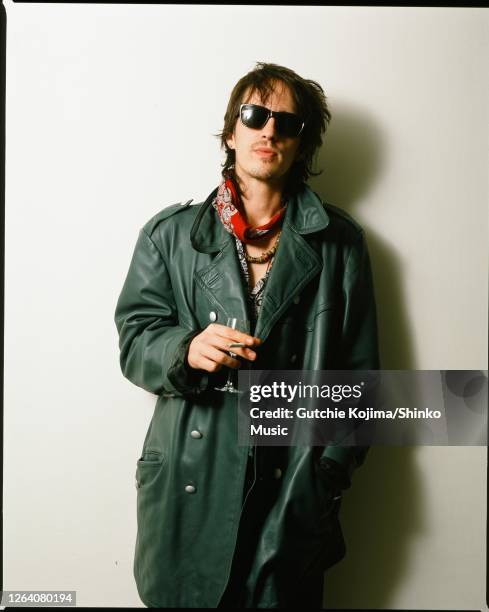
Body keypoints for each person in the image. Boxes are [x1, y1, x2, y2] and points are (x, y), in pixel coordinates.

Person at [114, 62, 379, 609]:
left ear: (302, 144)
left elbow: (361, 382)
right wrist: (184, 348)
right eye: (255, 116)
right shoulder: (169, 236)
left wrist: (325, 476)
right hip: (191, 477)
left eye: (288, 123)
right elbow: (135, 338)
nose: (269, 131)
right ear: (231, 131)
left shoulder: (341, 244)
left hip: (291, 483)